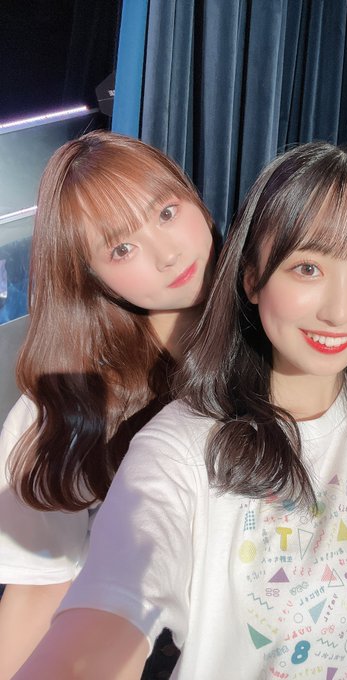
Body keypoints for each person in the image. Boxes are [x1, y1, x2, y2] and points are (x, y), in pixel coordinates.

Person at [13, 142, 347, 680]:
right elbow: (74, 613)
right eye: (307, 268)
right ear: (252, 278)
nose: (339, 310)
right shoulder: (152, 440)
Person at [0, 129, 217, 678]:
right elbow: (38, 595)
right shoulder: (66, 409)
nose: (168, 254)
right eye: (122, 248)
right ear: (90, 275)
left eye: (166, 213)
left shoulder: (281, 343)